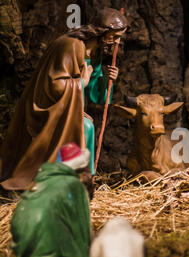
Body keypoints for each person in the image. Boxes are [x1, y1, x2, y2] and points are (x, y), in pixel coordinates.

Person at [0, 8, 128, 190]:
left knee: (86, 126)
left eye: (119, 38)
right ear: (102, 31)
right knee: (85, 126)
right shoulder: (71, 45)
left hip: (69, 107)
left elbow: (96, 96)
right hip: (48, 108)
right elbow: (54, 86)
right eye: (114, 37)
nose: (116, 43)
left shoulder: (96, 54)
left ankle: (82, 180)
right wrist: (81, 83)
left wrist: (107, 79)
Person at [0, 143, 92, 257]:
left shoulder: (40, 182)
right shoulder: (74, 185)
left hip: (23, 245)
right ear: (81, 168)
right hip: (50, 252)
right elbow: (81, 234)